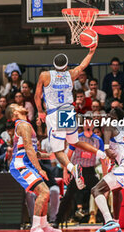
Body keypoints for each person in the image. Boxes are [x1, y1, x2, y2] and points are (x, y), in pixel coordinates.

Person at [34, 44, 106, 190]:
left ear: (54, 65)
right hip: (68, 111)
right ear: (66, 66)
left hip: (55, 113)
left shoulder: (45, 75)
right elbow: (83, 65)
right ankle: (101, 153)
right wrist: (91, 51)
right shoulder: (71, 74)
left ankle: (73, 168)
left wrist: (40, 111)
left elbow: (37, 96)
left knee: (58, 151)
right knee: (75, 141)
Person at [6, 103, 60, 232]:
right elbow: (29, 149)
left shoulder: (27, 125)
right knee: (44, 192)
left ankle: (44, 225)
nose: (21, 105)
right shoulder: (23, 125)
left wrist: (52, 155)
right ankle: (35, 227)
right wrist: (40, 169)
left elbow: (35, 153)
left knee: (45, 192)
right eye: (17, 106)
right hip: (20, 165)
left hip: (26, 164)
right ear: (14, 113)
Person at [53, 117, 107, 228]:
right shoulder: (77, 138)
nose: (88, 125)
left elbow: (103, 160)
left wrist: (105, 177)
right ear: (82, 125)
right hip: (78, 171)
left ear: (93, 125)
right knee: (68, 196)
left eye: (90, 123)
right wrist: (65, 172)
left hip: (90, 171)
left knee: (99, 193)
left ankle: (106, 221)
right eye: (85, 123)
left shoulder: (98, 140)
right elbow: (67, 156)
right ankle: (57, 221)